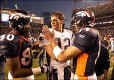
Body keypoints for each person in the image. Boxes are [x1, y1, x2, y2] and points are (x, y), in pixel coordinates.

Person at [42, 9, 101, 80]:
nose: (75, 24)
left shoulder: (86, 33)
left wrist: (51, 39)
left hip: (84, 76)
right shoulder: (90, 32)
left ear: (80, 21)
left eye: (76, 21)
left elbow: (61, 57)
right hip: (81, 73)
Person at [0, 9, 46, 80]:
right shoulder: (11, 40)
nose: (29, 27)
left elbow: (30, 47)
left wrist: (43, 42)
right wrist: (40, 69)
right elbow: (15, 72)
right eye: (27, 24)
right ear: (20, 26)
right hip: (19, 77)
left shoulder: (23, 38)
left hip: (28, 73)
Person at [39, 11, 74, 80]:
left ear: (62, 21)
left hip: (67, 69)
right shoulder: (47, 32)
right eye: (51, 20)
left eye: (55, 20)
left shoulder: (70, 33)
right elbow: (45, 53)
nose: (52, 22)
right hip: (54, 69)